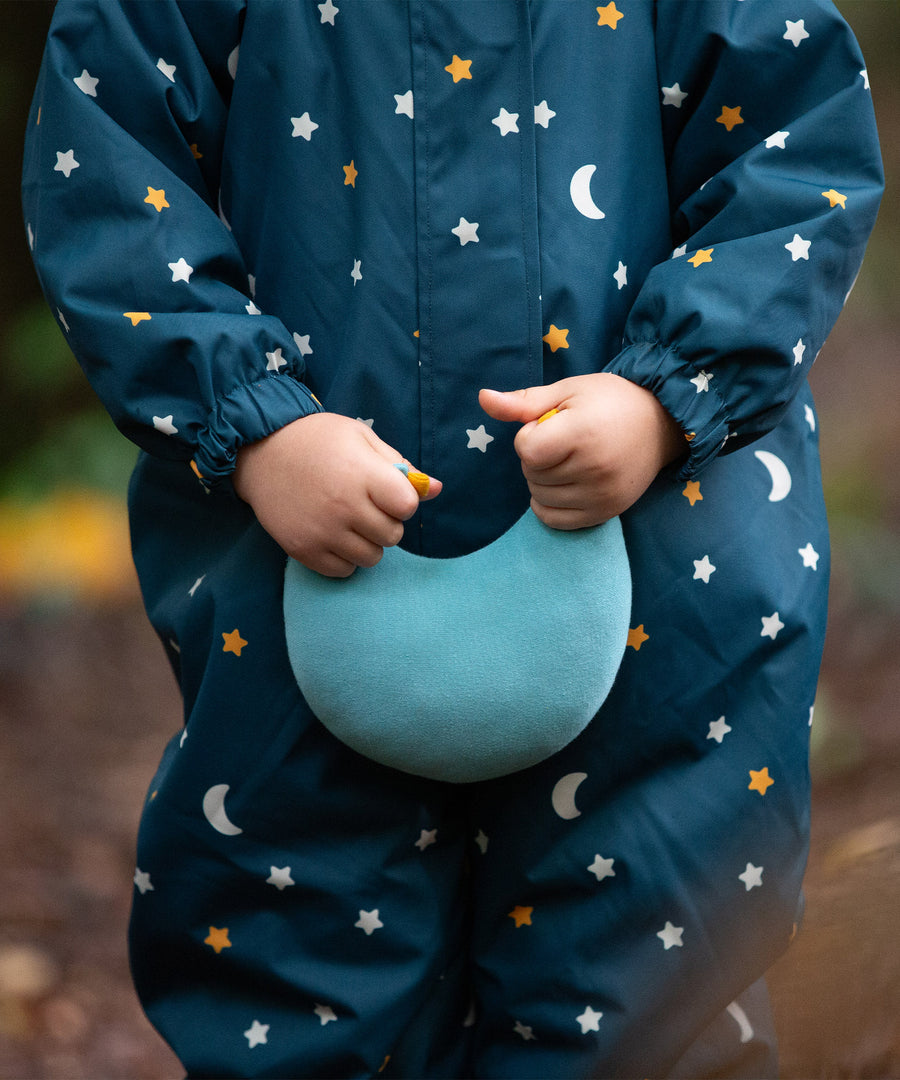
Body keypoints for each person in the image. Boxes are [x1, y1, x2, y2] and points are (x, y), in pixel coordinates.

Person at [23, 1, 882, 1076]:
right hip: (293, 565)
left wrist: (668, 393)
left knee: (651, 976)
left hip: (665, 579)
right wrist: (250, 421)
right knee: (303, 959)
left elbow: (799, 153)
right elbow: (107, 165)